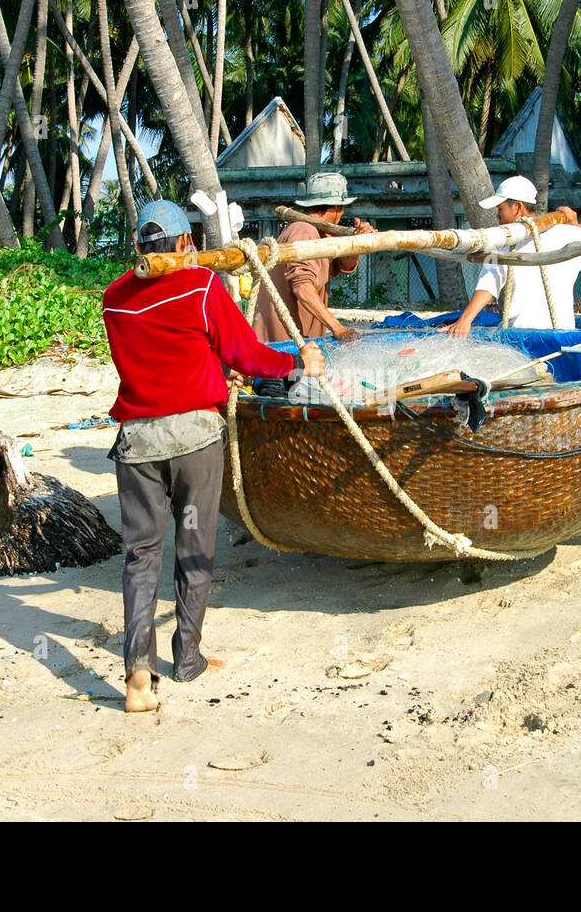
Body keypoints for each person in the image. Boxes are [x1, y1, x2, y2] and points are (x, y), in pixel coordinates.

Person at [103, 200, 325, 712]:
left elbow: (155, 355)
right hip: (194, 437)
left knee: (139, 557)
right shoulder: (201, 285)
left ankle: (139, 672)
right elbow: (247, 356)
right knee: (194, 546)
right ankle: (187, 658)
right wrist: (298, 365)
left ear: (140, 247)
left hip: (137, 441)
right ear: (186, 244)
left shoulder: (114, 297)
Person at [445, 176, 581, 336]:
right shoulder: (504, 242)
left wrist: (575, 226)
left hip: (538, 335)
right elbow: (489, 282)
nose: (497, 216)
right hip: (548, 335)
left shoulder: (566, 234)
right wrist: (465, 321)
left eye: (500, 209)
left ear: (518, 207)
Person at [253, 171, 376, 345]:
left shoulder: (319, 234)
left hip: (297, 343)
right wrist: (338, 328)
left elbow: (344, 266)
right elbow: (302, 287)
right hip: (284, 346)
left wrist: (357, 242)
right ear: (337, 208)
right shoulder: (304, 231)